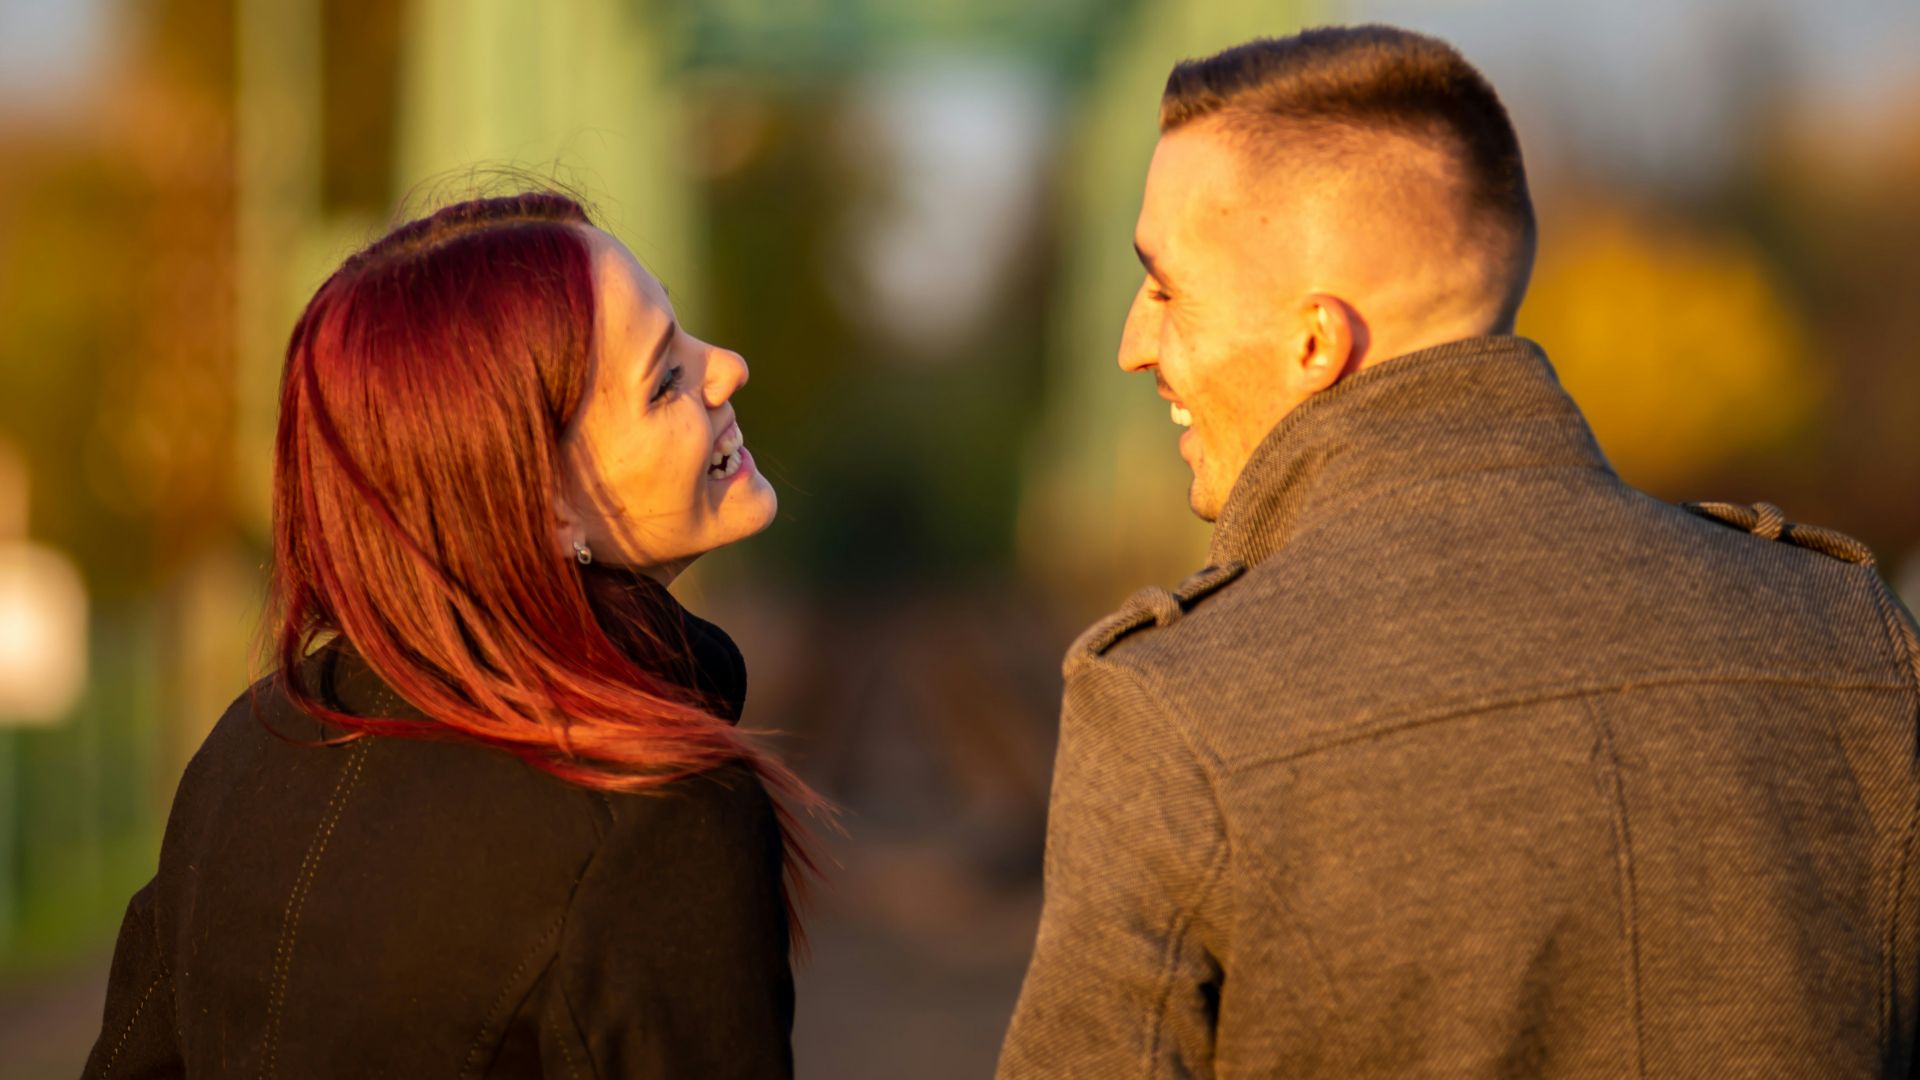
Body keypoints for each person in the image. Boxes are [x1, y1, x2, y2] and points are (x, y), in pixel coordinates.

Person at [999, 25, 1920, 1078]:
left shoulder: (1175, 714)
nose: (1131, 342)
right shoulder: (1853, 641)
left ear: (1316, 340)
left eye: (1163, 287)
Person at [84, 192, 820, 1078]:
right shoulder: (655, 814)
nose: (728, 368)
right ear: (538, 507)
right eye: (664, 381)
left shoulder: (245, 752)